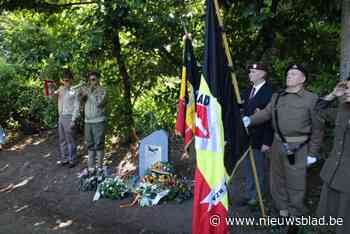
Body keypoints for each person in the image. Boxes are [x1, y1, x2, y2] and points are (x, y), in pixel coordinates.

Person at [243, 64, 324, 223]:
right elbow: (266, 113)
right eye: (288, 73)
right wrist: (250, 120)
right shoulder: (278, 96)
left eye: (294, 74)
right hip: (277, 144)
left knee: (296, 182)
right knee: (276, 180)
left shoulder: (311, 99)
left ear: (303, 79)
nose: (289, 76)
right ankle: (283, 209)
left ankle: (296, 215)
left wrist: (312, 153)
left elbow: (318, 129)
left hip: (298, 147)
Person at [316, 80, 350, 234]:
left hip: (347, 181)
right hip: (332, 174)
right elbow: (316, 110)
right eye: (347, 87)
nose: (347, 90)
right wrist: (333, 95)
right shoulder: (342, 109)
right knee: (329, 222)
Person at [240, 63, 274, 207]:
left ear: (262, 74)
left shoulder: (270, 93)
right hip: (246, 137)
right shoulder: (247, 91)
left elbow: (271, 118)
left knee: (259, 169)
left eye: (253, 71)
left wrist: (267, 141)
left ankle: (258, 198)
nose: (250, 74)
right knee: (248, 167)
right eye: (250, 71)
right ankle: (249, 195)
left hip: (261, 137)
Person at [80, 71, 107, 171]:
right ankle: (91, 169)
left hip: (98, 122)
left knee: (99, 145)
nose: (91, 82)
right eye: (90, 80)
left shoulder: (103, 90)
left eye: (93, 79)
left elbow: (99, 103)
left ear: (98, 80)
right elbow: (81, 102)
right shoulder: (88, 90)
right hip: (88, 122)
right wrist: (81, 94)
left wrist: (89, 93)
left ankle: (99, 169)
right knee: (90, 146)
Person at [53, 69, 80, 168]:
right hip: (61, 117)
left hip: (69, 117)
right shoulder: (60, 89)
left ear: (71, 80)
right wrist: (53, 94)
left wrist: (73, 120)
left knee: (70, 140)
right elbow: (54, 98)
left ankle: (72, 159)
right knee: (62, 139)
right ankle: (64, 159)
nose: (65, 82)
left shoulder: (75, 90)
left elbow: (77, 106)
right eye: (64, 80)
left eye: (67, 80)